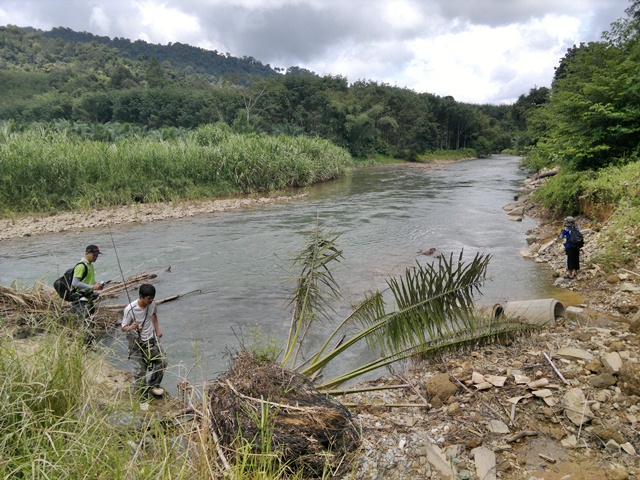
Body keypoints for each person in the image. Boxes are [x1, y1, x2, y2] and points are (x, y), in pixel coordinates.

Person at [121, 283, 166, 398]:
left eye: (152, 298)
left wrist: (157, 329)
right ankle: (141, 395)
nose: (151, 301)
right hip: (135, 342)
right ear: (141, 296)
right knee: (140, 370)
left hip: (150, 339)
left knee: (161, 362)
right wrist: (131, 327)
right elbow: (123, 328)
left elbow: (154, 315)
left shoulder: (152, 304)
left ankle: (153, 386)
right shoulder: (130, 309)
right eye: (148, 298)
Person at [70, 244, 105, 339]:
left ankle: (88, 347)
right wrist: (93, 287)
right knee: (85, 329)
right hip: (80, 302)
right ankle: (84, 348)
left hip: (88, 300)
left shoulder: (90, 266)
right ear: (87, 253)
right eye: (94, 255)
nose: (96, 257)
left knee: (90, 327)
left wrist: (97, 285)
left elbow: (87, 280)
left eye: (97, 255)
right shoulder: (81, 266)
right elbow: (75, 283)